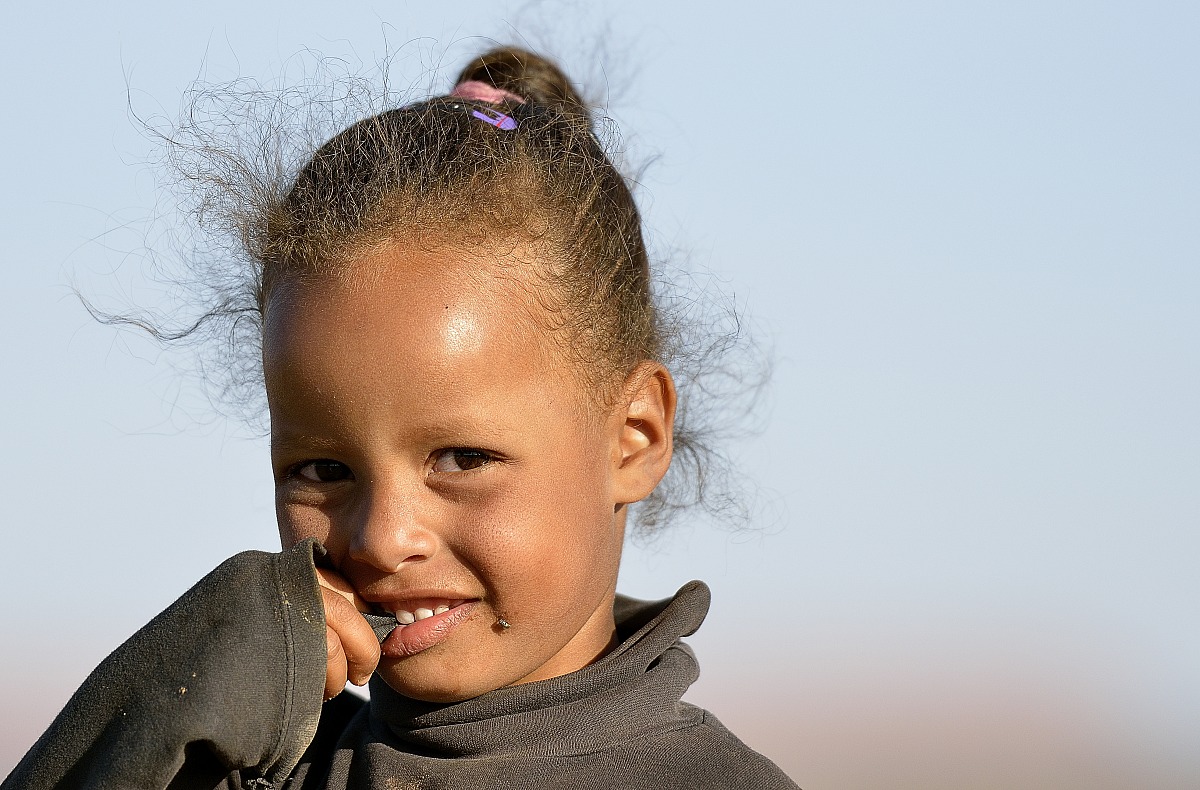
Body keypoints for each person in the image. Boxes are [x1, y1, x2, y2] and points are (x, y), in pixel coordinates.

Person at [3, 47, 799, 790]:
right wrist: (148, 714)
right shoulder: (235, 766)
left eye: (461, 458)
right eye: (323, 470)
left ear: (635, 437)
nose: (382, 539)